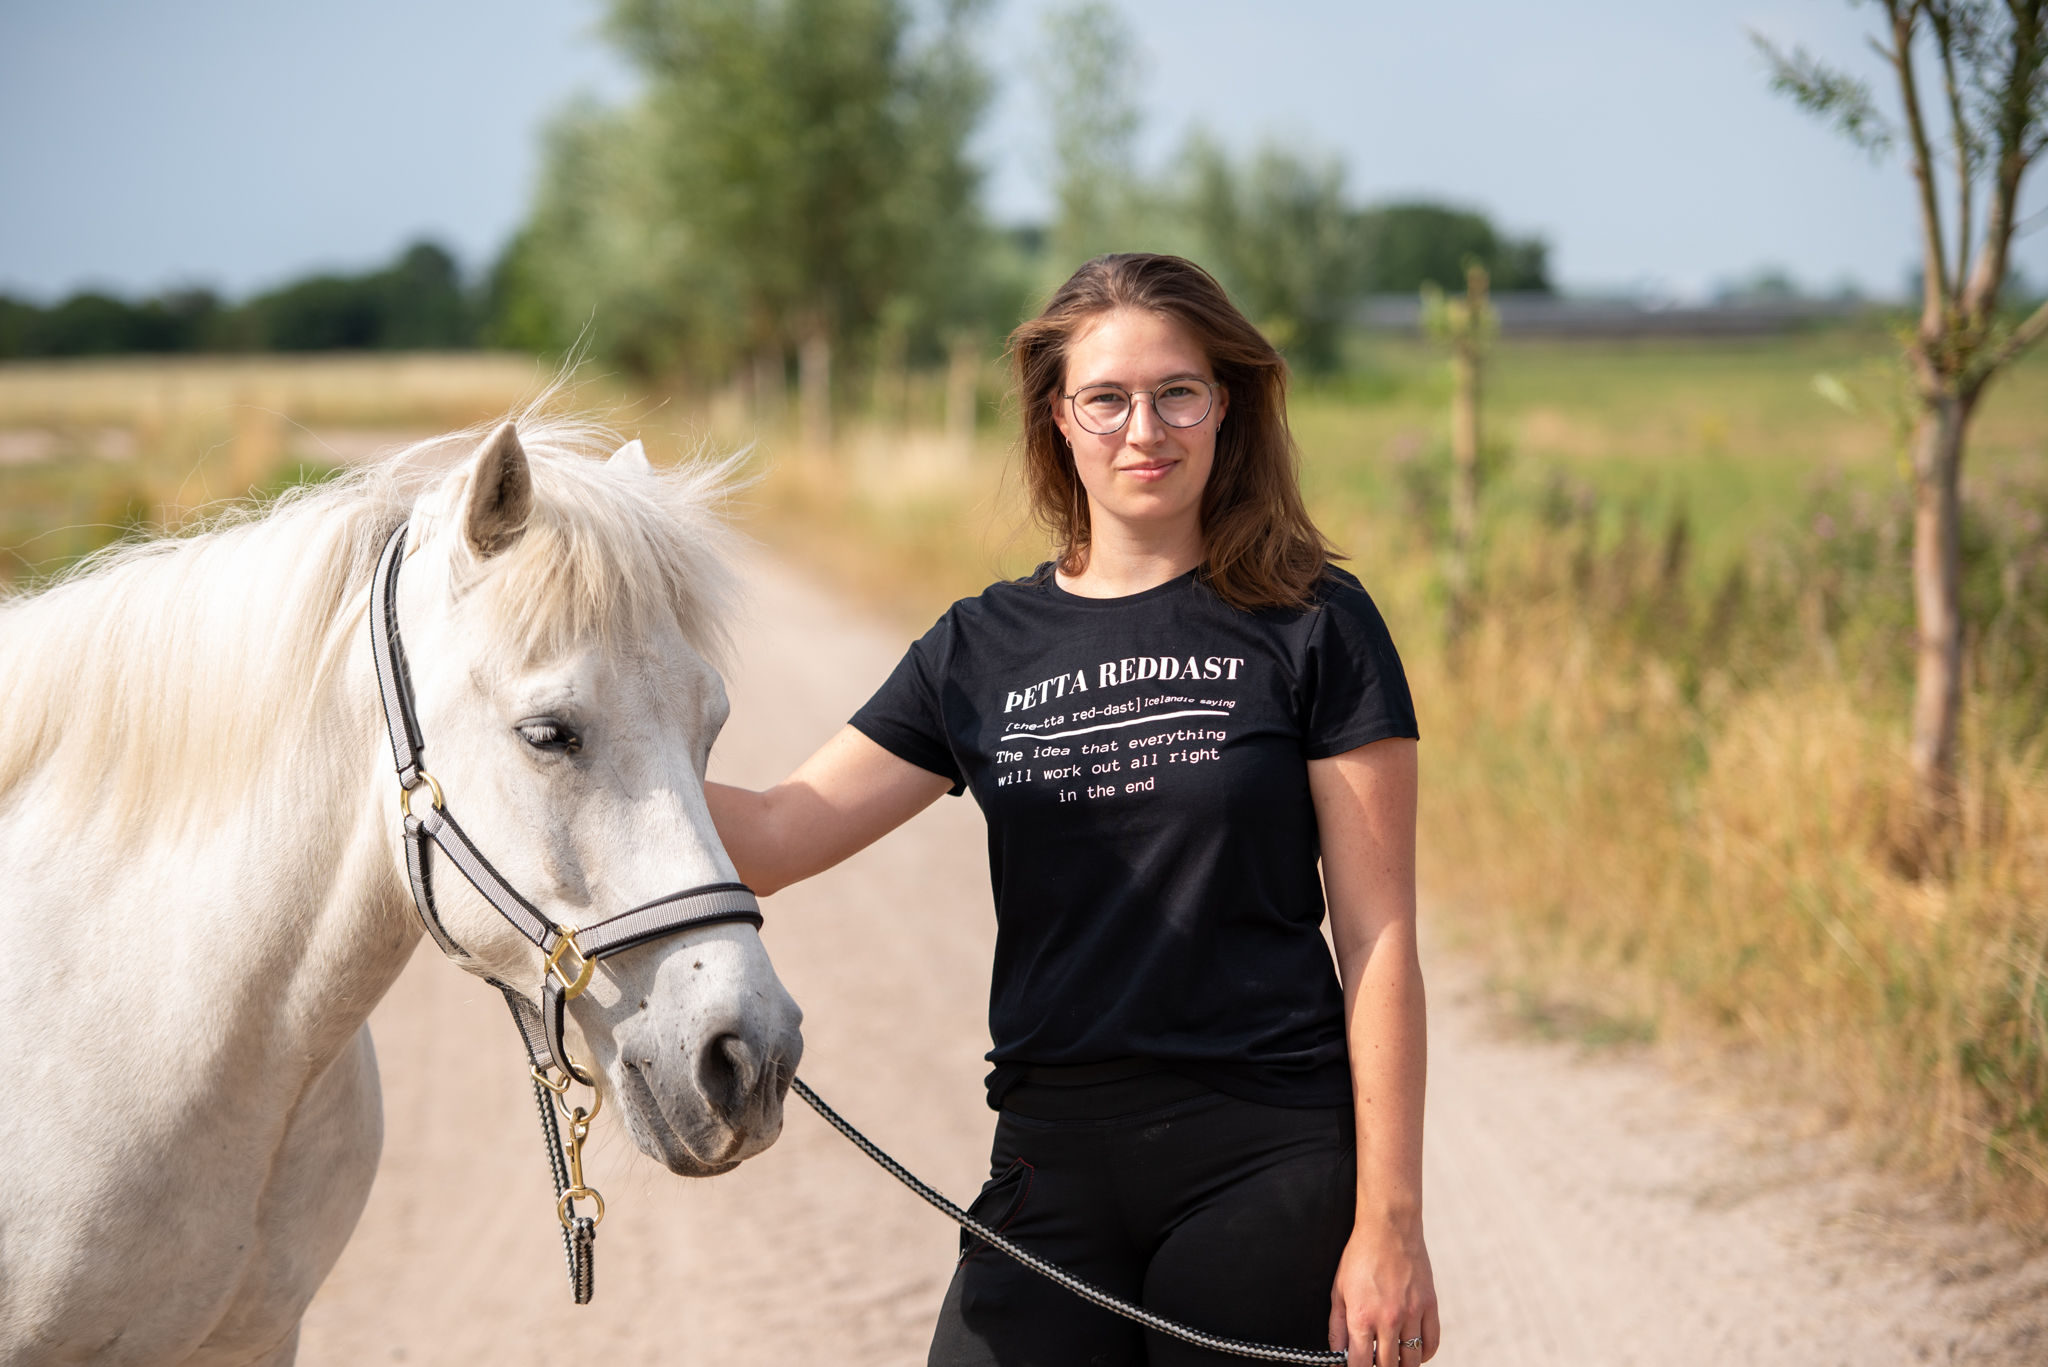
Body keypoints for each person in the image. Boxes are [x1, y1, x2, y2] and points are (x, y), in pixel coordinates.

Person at [707, 252, 1438, 1366]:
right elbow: (770, 833)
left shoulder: (1314, 621)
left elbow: (1379, 936)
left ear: (1224, 404)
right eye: (1106, 399)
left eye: (1175, 392)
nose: (1143, 428)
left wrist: (1387, 1226)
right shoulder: (979, 645)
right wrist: (559, 761)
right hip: (1050, 1158)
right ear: (1058, 418)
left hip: (1264, 1155)